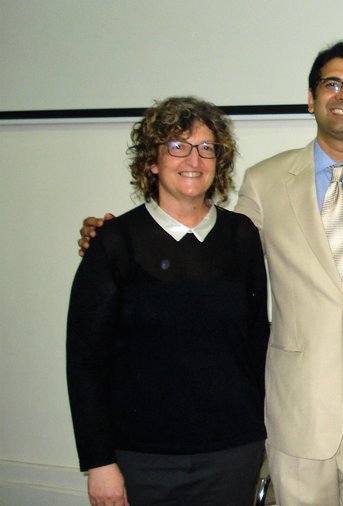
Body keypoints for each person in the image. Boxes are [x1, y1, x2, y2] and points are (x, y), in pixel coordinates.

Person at [83, 40, 343, 505]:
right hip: (297, 413)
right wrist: (116, 236)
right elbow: (213, 249)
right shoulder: (265, 182)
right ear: (311, 99)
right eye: (331, 84)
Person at [67, 96, 268, 506]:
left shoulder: (242, 236)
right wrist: (99, 462)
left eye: (206, 147)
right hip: (142, 460)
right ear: (153, 161)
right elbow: (85, 363)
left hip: (231, 454)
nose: (193, 158)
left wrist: (262, 436)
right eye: (177, 145)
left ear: (219, 161)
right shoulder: (114, 243)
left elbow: (255, 341)